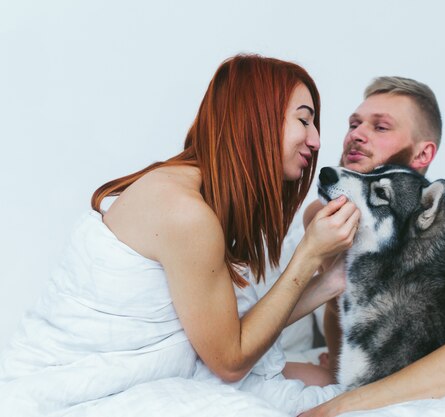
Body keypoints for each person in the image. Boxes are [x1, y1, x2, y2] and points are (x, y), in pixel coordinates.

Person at [0, 54, 359, 415]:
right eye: (303, 120)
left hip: (146, 367)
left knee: (328, 381)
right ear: (257, 119)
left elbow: (224, 332)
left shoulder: (190, 190)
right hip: (70, 386)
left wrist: (329, 282)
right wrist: (309, 253)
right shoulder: (186, 213)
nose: (315, 140)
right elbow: (230, 360)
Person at [300, 76, 445, 416]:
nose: (356, 134)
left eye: (380, 127)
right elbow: (338, 308)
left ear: (423, 153)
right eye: (354, 123)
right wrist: (337, 370)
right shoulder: (324, 216)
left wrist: (341, 405)